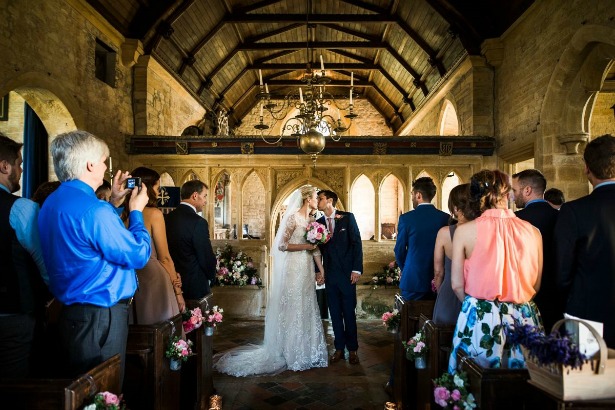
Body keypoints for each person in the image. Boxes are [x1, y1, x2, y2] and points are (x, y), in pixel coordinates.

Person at [38, 130, 151, 381]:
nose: (106, 168)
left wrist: (114, 204)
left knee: (81, 389)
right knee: (104, 392)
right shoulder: (95, 211)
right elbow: (138, 255)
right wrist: (135, 212)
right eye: (104, 161)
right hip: (102, 315)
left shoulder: (52, 203)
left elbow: (84, 240)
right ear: (90, 165)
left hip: (72, 312)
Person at [214, 186, 328, 375]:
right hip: (294, 267)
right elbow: (282, 245)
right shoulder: (293, 218)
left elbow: (315, 248)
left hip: (307, 268)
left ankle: (307, 351)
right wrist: (305, 245)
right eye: (316, 197)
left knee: (306, 305)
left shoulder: (312, 220)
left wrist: (321, 270)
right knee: (293, 306)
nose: (318, 200)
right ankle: (290, 351)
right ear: (308, 199)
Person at [448, 170, 543, 372]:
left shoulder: (464, 232)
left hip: (480, 315)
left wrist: (477, 304)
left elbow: (456, 285)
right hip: (523, 316)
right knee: (524, 383)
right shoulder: (533, 231)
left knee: (475, 383)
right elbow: (536, 284)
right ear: (507, 194)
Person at [555, 134, 615, 347]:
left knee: (588, 378)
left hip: (588, 314)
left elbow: (563, 272)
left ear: (587, 168)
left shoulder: (574, 211)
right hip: (587, 311)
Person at [0, 133, 48, 378]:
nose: (21, 169)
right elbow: (44, 263)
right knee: (15, 386)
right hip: (13, 312)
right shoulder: (21, 208)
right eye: (18, 164)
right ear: (4, 166)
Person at [122, 167, 185, 323]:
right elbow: (164, 258)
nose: (158, 193)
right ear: (148, 189)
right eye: (157, 188)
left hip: (127, 276)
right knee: (161, 328)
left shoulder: (119, 215)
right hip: (152, 278)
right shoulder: (154, 214)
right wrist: (178, 292)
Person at [317, 189, 363, 365]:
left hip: (347, 274)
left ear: (329, 201)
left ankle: (352, 350)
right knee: (334, 313)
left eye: (320, 199)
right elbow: (316, 250)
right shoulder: (318, 223)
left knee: (349, 313)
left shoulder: (347, 217)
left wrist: (356, 270)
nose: (318, 201)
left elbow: (356, 243)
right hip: (330, 274)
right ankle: (338, 349)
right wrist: (318, 271)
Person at [512, 169, 562, 331]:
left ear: (527, 190)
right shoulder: (561, 216)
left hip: (524, 293)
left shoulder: (516, 219)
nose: (512, 196)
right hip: (556, 292)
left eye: (514, 190)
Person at [395, 177, 449, 301]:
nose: (412, 198)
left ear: (418, 195)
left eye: (412, 194)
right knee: (434, 318)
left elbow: (399, 250)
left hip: (413, 279)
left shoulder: (406, 218)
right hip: (440, 280)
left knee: (409, 317)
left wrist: (406, 268)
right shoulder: (445, 218)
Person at [165, 180, 216, 299]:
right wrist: (211, 277)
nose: (205, 201)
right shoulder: (198, 222)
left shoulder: (167, 218)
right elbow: (205, 256)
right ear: (195, 196)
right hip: (194, 284)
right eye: (204, 196)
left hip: (172, 281)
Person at [432, 183, 471, 326]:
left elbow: (438, 272)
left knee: (443, 339)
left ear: (455, 208)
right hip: (476, 292)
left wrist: (440, 293)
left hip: (449, 292)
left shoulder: (445, 233)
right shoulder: (482, 231)